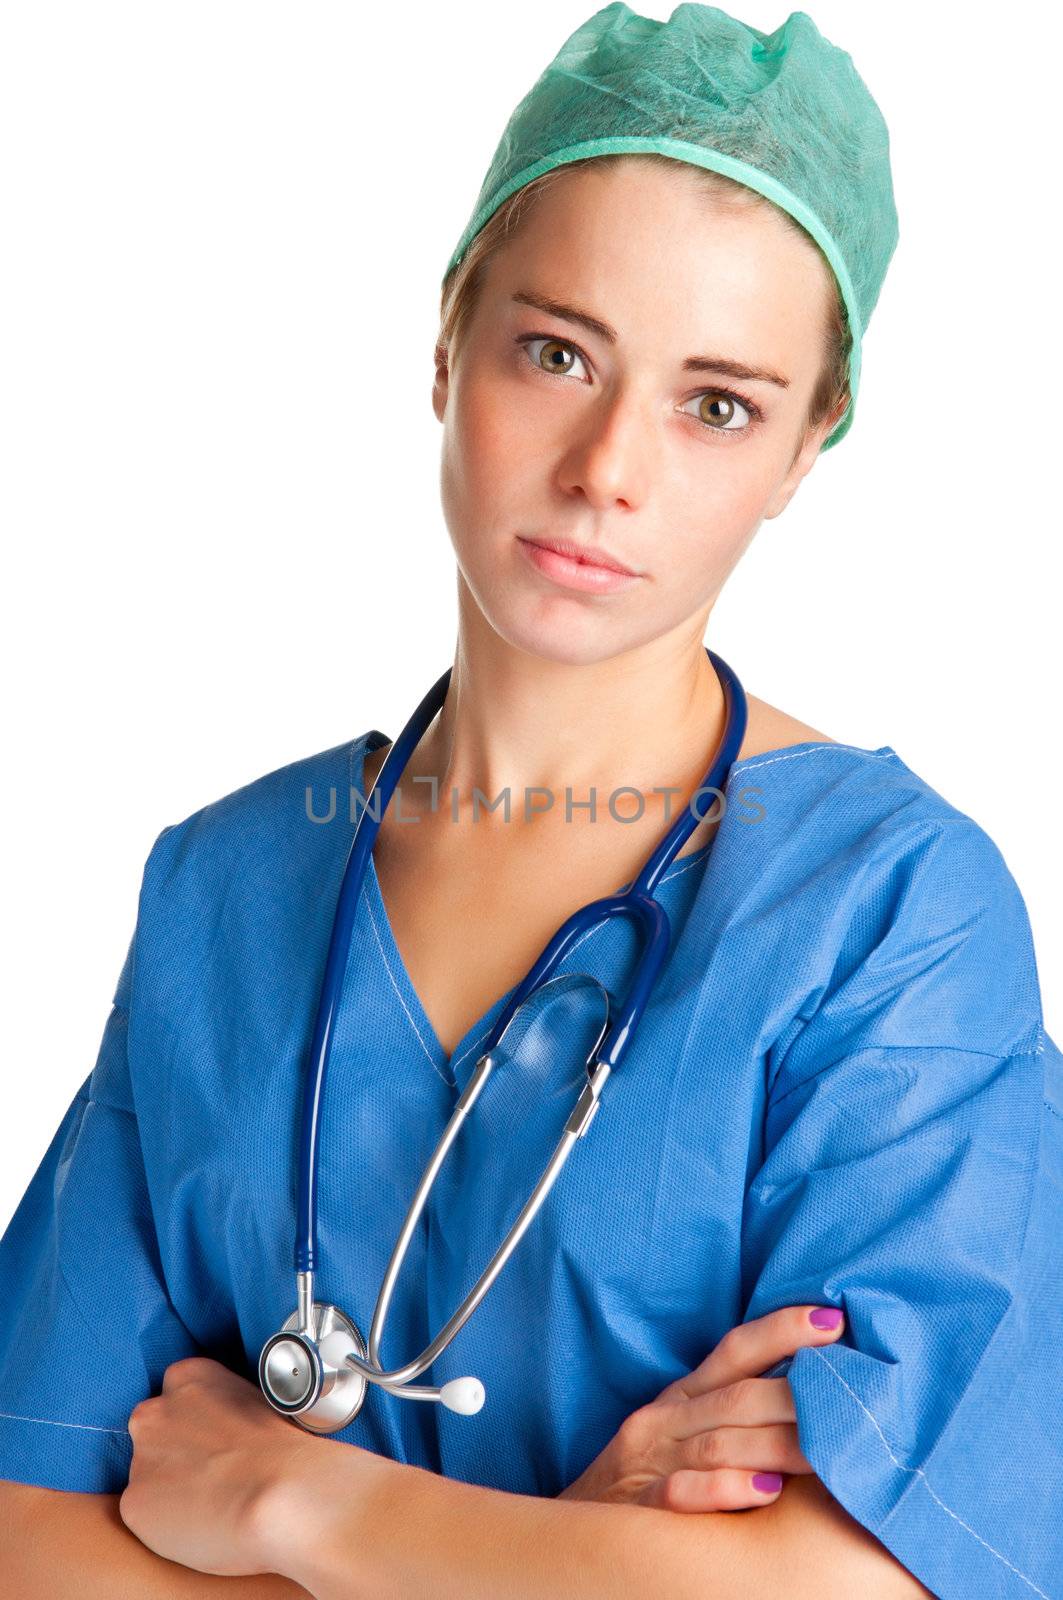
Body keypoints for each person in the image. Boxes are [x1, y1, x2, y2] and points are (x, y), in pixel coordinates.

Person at [1, 5, 1060, 1598]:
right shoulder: (224, 890)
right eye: (555, 351)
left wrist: (301, 1509)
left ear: (803, 452)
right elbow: (24, 1532)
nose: (608, 468)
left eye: (719, 403)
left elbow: (866, 1582)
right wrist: (579, 1544)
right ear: (446, 338)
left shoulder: (891, 918)